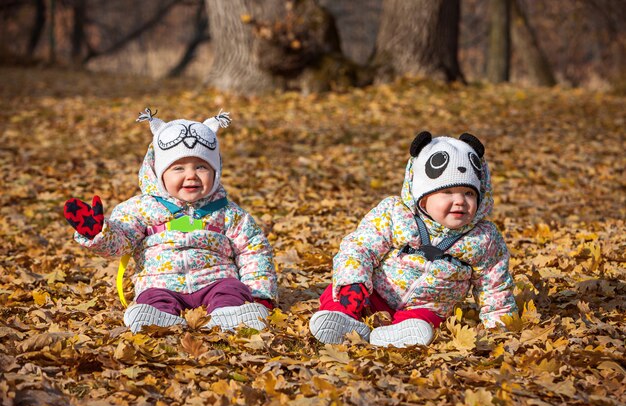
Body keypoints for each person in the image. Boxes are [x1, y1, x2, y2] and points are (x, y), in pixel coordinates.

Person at [64, 108, 277, 333]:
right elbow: (121, 240)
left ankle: (231, 314)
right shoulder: (141, 208)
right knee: (152, 296)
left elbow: (254, 251)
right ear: (158, 173)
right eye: (178, 168)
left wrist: (259, 294)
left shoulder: (229, 213)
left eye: (201, 166)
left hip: (215, 279)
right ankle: (157, 317)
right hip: (161, 281)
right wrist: (98, 232)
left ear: (216, 171)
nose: (191, 175)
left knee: (231, 289)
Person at [309, 131, 518, 347]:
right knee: (341, 292)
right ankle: (340, 318)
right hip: (375, 294)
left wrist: (499, 326)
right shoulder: (396, 214)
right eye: (447, 192)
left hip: (426, 308)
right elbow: (360, 247)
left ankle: (400, 334)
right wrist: (354, 280)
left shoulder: (483, 238)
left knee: (426, 321)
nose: (460, 201)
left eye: (469, 193)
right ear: (423, 197)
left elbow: (494, 285)